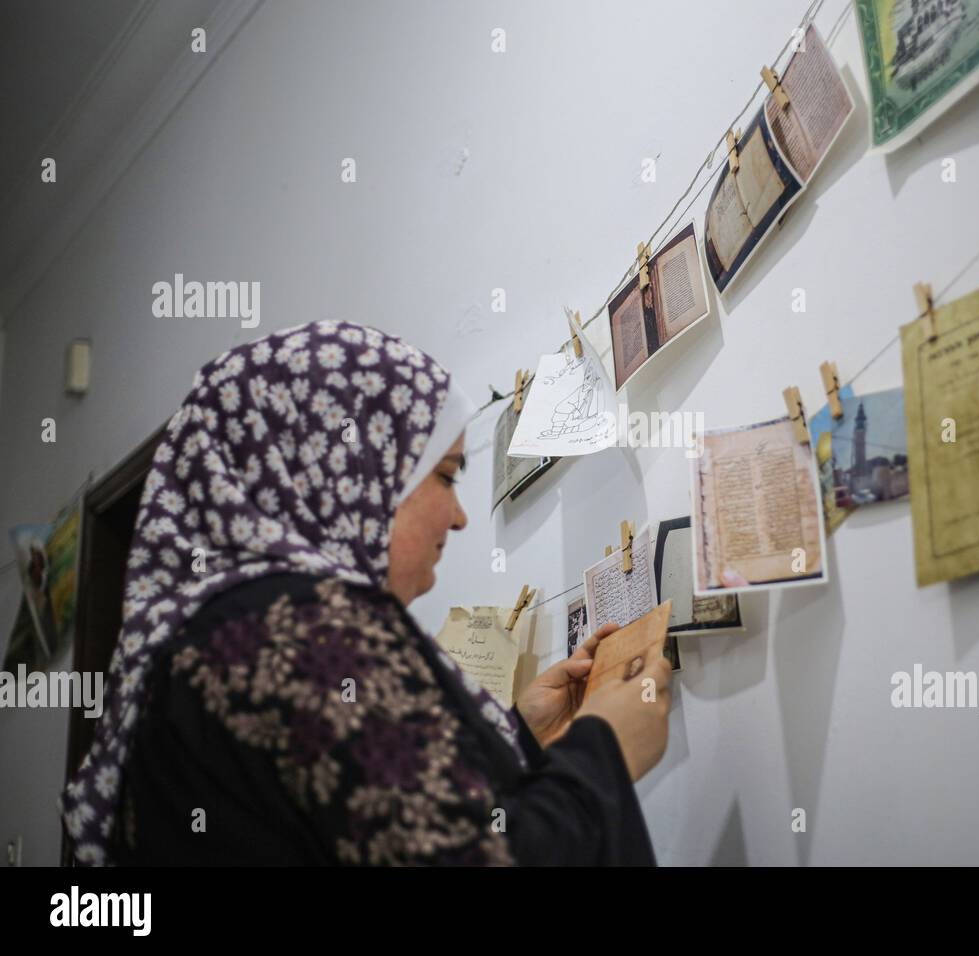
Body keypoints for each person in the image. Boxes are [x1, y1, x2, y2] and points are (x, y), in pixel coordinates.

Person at [60, 320, 672, 865]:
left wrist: (519, 734)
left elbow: (357, 813)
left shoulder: (224, 631)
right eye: (445, 476)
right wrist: (604, 751)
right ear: (343, 473)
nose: (459, 518)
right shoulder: (301, 629)